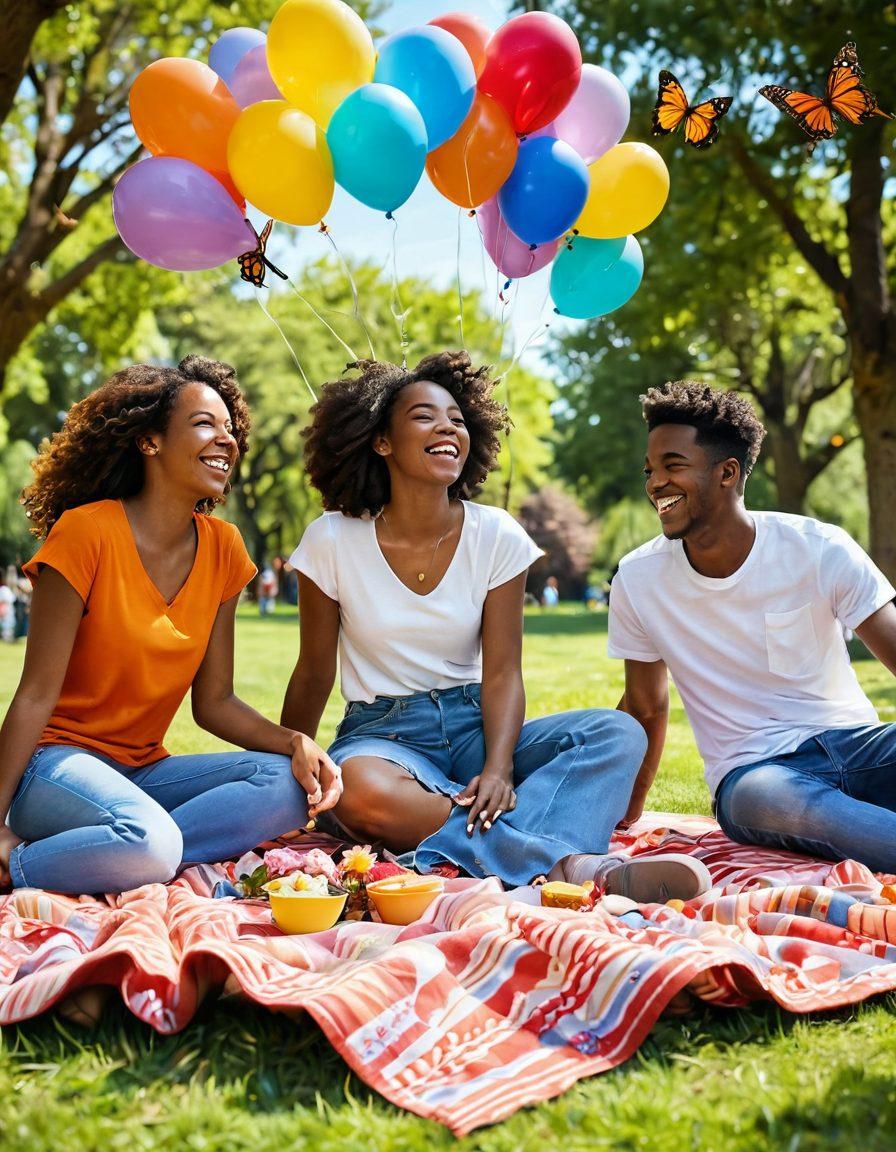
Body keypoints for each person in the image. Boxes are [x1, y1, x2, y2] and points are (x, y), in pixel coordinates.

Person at [281, 352, 710, 901]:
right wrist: (286, 778)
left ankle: (480, 843)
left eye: (458, 418)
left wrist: (499, 767)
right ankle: (570, 867)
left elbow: (504, 670)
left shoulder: (497, 535)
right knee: (359, 790)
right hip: (382, 738)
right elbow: (314, 670)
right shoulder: (332, 539)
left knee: (618, 732)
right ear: (381, 441)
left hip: (477, 725)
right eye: (424, 416)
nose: (447, 427)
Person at [0, 356, 341, 895]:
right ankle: (21, 861)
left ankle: (122, 850)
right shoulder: (85, 533)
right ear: (150, 441)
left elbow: (215, 702)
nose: (225, 440)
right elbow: (35, 695)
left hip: (144, 774)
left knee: (289, 786)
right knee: (149, 842)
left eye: (230, 429)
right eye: (206, 424)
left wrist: (295, 741)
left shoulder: (225, 548)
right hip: (56, 767)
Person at [608, 380, 896, 874]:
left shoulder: (819, 548)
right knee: (766, 801)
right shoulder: (637, 579)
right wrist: (622, 815)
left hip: (859, 746)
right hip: (756, 776)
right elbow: (645, 706)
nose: (655, 483)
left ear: (727, 472)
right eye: (650, 470)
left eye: (673, 465)